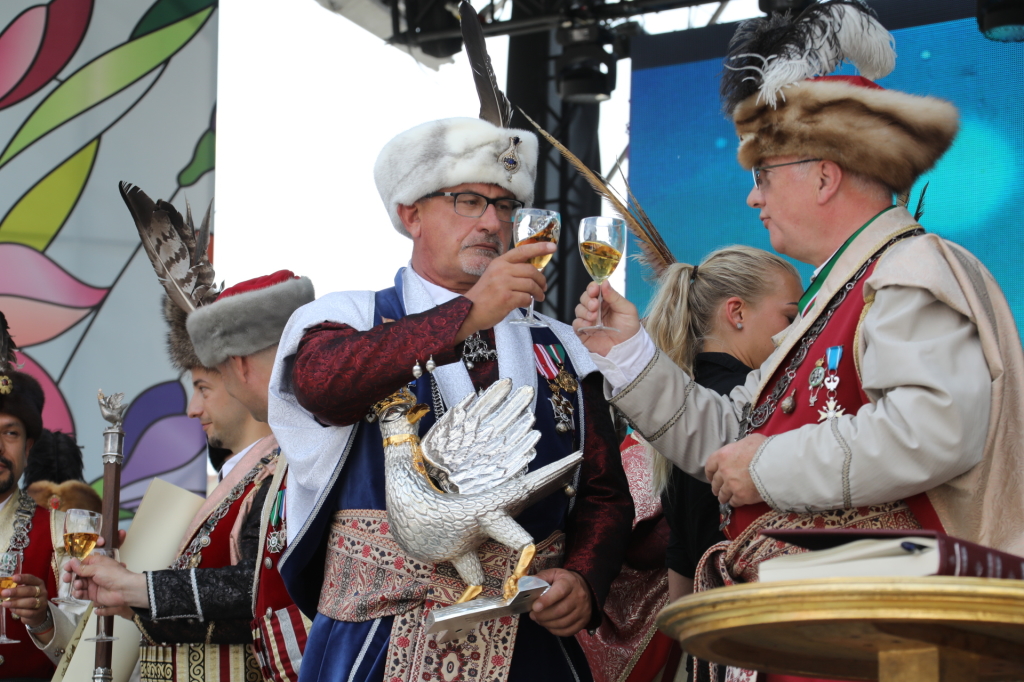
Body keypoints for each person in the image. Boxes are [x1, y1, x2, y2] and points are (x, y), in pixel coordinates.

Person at [575, 0, 1024, 613]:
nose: (752, 196)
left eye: (762, 173)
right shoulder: (839, 292)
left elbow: (932, 430)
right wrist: (629, 355)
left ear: (824, 176)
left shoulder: (908, 269)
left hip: (893, 628)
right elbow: (733, 438)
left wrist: (766, 467)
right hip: (837, 624)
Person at [266, 18, 634, 678]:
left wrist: (584, 576)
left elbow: (605, 493)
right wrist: (468, 314)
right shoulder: (349, 316)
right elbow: (324, 387)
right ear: (410, 213)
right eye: (468, 201)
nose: (492, 222)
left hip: (531, 649)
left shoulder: (559, 345)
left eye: (505, 206)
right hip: (378, 646)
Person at [71, 187, 314, 682]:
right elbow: (221, 617)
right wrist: (130, 596)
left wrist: (138, 586)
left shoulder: (290, 471)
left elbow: (262, 589)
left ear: (240, 372)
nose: (191, 408)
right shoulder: (257, 474)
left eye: (203, 387)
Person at [0, 313, 80, 679]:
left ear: (28, 447)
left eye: (10, 433)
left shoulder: (62, 532)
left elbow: (87, 652)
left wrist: (44, 620)